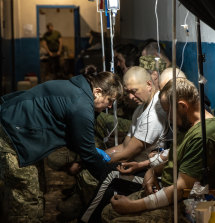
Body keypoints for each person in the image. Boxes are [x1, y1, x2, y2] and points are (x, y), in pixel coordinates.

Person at [0, 71, 123, 222]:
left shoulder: (80, 90)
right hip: (11, 131)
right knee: (26, 197)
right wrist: (109, 179)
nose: (110, 105)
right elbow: (88, 155)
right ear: (98, 92)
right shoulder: (81, 105)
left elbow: (77, 139)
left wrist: (87, 153)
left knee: (38, 189)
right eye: (110, 100)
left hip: (23, 130)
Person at [101, 78, 215, 223]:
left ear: (182, 106)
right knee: (108, 211)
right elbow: (177, 157)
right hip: (167, 191)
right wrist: (152, 171)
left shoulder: (204, 136)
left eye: (169, 112)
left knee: (115, 219)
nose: (169, 119)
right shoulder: (189, 125)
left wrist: (132, 206)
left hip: (184, 203)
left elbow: (182, 188)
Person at [57, 66, 169, 222]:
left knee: (110, 174)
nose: (130, 96)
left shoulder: (154, 114)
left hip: (150, 173)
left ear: (149, 85)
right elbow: (123, 147)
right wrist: (92, 158)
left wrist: (88, 161)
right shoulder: (141, 109)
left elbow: (128, 152)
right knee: (105, 175)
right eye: (128, 92)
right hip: (135, 165)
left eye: (134, 91)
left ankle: (85, 219)